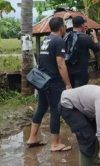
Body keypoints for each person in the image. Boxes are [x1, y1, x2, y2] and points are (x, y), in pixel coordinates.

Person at [27, 17, 72, 152]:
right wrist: (68, 84)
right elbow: (61, 64)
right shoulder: (59, 41)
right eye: (64, 26)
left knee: (41, 108)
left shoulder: (47, 39)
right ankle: (55, 144)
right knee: (55, 111)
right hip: (53, 82)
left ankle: (32, 138)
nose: (65, 28)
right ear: (61, 28)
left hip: (42, 80)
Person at [64, 16, 100, 88]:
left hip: (68, 71)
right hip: (81, 71)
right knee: (80, 93)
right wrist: (95, 37)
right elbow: (97, 48)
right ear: (82, 25)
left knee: (71, 92)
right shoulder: (85, 37)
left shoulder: (66, 36)